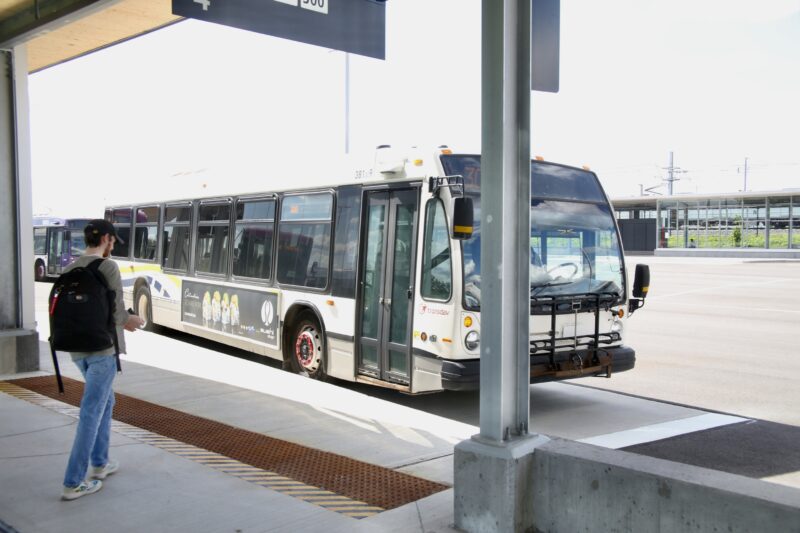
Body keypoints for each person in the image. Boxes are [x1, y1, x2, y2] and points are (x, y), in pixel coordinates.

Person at [61, 219, 145, 501]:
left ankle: (100, 462)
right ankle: (73, 482)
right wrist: (133, 320)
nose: (112, 246)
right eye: (112, 241)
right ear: (107, 239)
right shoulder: (108, 267)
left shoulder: (70, 267)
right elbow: (118, 314)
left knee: (106, 402)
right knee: (92, 411)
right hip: (102, 351)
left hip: (77, 351)